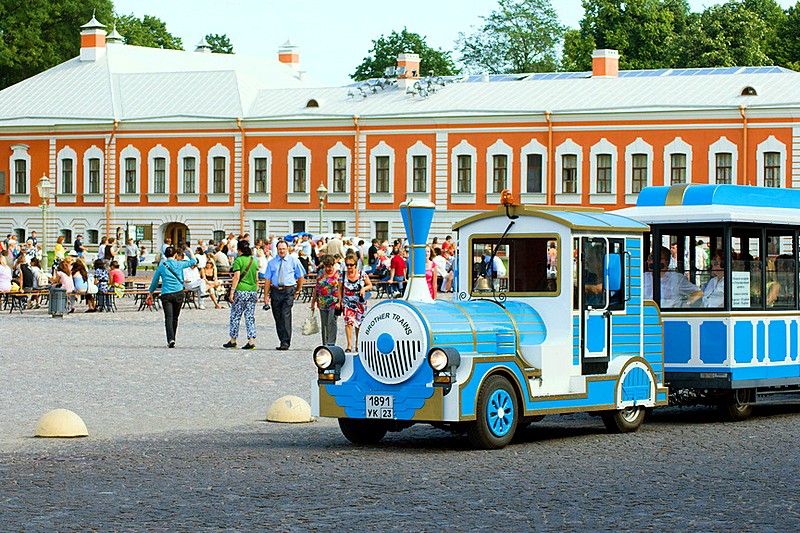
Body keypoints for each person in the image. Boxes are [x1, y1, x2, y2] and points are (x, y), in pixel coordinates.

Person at [149, 246, 197, 348]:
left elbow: (155, 281)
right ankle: (173, 338)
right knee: (175, 317)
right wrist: (190, 251)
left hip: (166, 294)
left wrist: (150, 292)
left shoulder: (161, 266)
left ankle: (170, 339)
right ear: (175, 254)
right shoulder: (179, 264)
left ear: (165, 255)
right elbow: (193, 261)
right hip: (178, 293)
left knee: (168, 318)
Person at [263, 240, 306, 350]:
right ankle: (282, 339)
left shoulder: (293, 261)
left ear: (287, 249)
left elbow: (301, 276)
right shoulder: (272, 262)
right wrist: (266, 296)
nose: (281, 251)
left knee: (285, 314)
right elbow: (267, 279)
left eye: (283, 249)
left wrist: (297, 290)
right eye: (280, 249)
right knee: (278, 316)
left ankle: (286, 342)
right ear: (277, 250)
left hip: (288, 291)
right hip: (276, 291)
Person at [224, 240, 259, 349]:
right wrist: (256, 292)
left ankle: (233, 340)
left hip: (241, 290)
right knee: (250, 316)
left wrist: (232, 292)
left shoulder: (238, 260)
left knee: (235, 315)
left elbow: (237, 277)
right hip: (252, 291)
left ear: (239, 250)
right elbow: (257, 279)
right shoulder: (254, 261)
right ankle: (251, 340)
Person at [340, 252, 373, 352]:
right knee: (348, 322)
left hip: (360, 302)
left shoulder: (362, 274)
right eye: (347, 265)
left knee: (359, 324)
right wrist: (340, 300)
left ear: (355, 265)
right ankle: (349, 345)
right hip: (348, 301)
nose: (349, 267)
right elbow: (339, 288)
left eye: (351, 265)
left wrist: (363, 288)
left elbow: (370, 285)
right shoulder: (343, 275)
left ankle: (358, 343)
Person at [312, 254, 341, 346]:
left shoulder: (338, 274)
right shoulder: (320, 273)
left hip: (334, 302)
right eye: (326, 266)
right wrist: (313, 302)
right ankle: (325, 344)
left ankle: (331, 343)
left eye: (330, 266)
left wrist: (341, 301)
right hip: (322, 302)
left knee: (332, 322)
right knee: (324, 324)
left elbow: (341, 288)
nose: (328, 269)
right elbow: (316, 287)